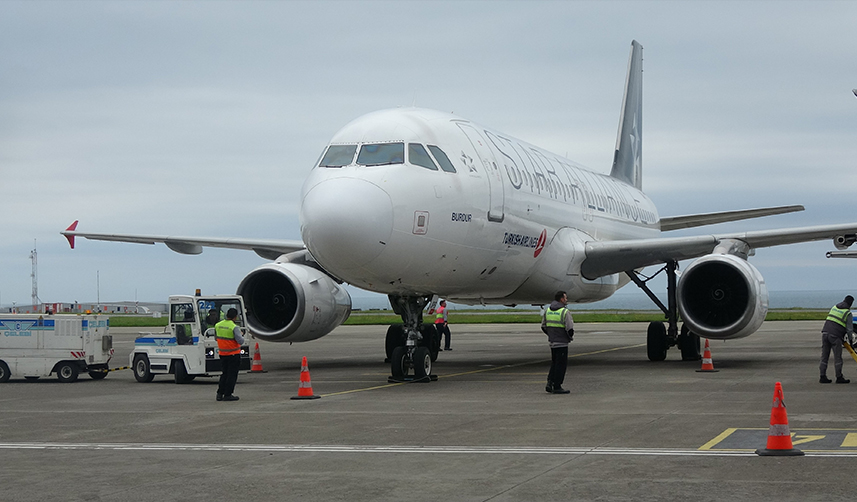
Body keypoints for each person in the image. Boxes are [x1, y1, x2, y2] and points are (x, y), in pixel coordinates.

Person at [541, 291, 574, 394]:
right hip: (562, 342)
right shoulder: (564, 311)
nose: (566, 300)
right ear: (562, 299)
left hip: (552, 341)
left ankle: (550, 382)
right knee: (561, 365)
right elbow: (570, 328)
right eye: (565, 298)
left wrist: (551, 335)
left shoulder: (548, 310)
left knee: (554, 363)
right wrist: (569, 337)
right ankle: (557, 386)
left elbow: (543, 326)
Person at [820, 295, 853, 384]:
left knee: (824, 356)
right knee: (838, 357)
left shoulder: (834, 307)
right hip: (835, 336)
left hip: (825, 333)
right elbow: (849, 330)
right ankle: (839, 377)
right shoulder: (847, 313)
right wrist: (851, 342)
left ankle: (822, 376)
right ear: (850, 304)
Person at [215, 308, 245, 401]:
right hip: (233, 354)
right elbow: (240, 341)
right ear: (235, 317)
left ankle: (220, 393)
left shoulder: (218, 325)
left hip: (222, 354)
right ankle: (228, 394)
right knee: (231, 375)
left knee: (224, 374)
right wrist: (241, 334)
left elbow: (216, 338)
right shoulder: (234, 327)